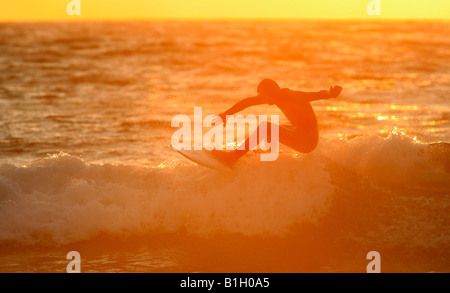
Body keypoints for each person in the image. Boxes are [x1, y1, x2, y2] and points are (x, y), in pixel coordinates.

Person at [212, 79, 343, 166]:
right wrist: (225, 115)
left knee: (266, 127)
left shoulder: (293, 96)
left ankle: (232, 158)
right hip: (299, 132)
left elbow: (315, 95)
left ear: (272, 91)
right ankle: (265, 155)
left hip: (307, 141)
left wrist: (330, 94)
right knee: (270, 128)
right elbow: (248, 102)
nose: (262, 99)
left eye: (264, 96)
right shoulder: (276, 96)